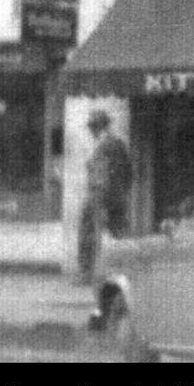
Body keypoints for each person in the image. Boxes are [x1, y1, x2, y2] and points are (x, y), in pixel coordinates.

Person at [75, 111, 133, 284]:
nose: (91, 132)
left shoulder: (103, 146)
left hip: (100, 195)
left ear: (97, 127)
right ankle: (126, 271)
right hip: (118, 196)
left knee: (88, 232)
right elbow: (129, 172)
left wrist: (99, 200)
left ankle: (87, 273)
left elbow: (101, 177)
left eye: (92, 128)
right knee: (120, 234)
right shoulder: (119, 144)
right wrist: (123, 193)